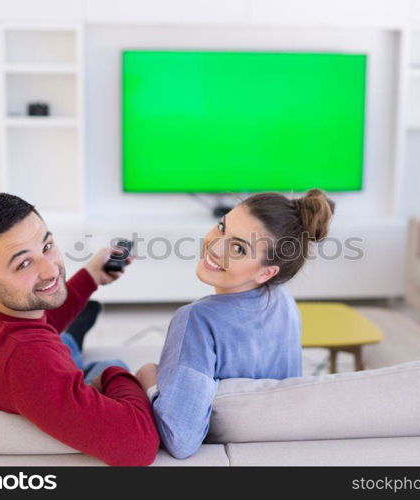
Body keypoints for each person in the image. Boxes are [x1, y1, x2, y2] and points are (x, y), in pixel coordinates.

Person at [0, 193, 159, 466]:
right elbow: (139, 446)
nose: (50, 270)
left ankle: (73, 333)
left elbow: (36, 323)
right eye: (24, 263)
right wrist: (112, 375)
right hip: (40, 376)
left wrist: (90, 276)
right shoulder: (29, 360)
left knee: (61, 330)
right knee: (109, 361)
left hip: (19, 371)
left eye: (47, 246)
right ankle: (76, 339)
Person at [135, 189, 335, 458]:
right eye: (221, 228)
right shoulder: (283, 299)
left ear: (267, 272)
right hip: (278, 447)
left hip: (229, 446)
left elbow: (180, 438)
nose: (215, 247)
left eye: (239, 248)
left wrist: (148, 376)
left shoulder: (197, 320)